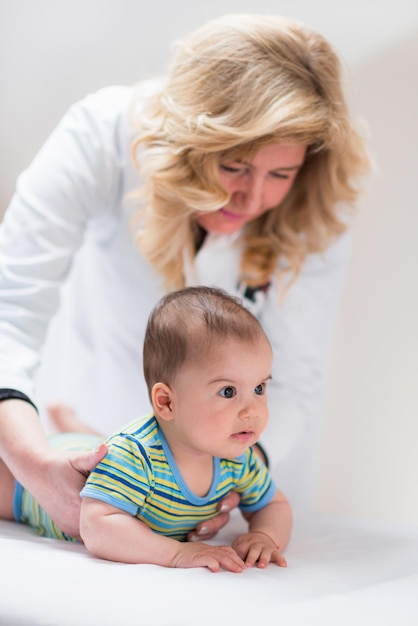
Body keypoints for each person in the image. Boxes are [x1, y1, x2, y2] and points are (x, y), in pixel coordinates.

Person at [0, 14, 370, 539]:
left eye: (280, 174)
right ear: (187, 139)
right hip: (86, 451)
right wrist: (33, 464)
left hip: (231, 479)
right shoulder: (103, 133)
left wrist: (231, 481)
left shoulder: (318, 205)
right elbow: (8, 308)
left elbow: (299, 374)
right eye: (235, 165)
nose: (253, 197)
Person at [0, 287, 292, 572]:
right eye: (228, 392)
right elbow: (97, 527)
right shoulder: (135, 453)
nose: (252, 409)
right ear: (166, 402)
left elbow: (274, 504)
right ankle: (67, 428)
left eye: (259, 388)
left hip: (101, 449)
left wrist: (264, 536)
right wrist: (175, 553)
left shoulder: (238, 457)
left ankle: (70, 422)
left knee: (98, 445)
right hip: (31, 488)